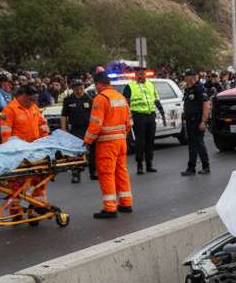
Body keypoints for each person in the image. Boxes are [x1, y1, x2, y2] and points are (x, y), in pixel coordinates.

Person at [84, 72, 133, 219]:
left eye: (95, 85)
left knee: (107, 174)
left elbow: (95, 124)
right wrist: (121, 135)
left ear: (98, 84)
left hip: (107, 143)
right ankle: (126, 203)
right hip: (121, 141)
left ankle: (110, 208)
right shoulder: (121, 97)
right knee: (121, 172)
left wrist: (87, 141)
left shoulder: (101, 99)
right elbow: (129, 122)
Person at [123, 67, 165, 174]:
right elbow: (125, 103)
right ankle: (140, 165)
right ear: (136, 75)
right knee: (140, 141)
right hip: (139, 116)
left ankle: (149, 164)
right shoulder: (130, 87)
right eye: (139, 73)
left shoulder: (150, 85)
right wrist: (127, 117)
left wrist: (162, 113)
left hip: (150, 116)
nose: (141, 75)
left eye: (143, 73)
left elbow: (156, 99)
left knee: (150, 141)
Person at [61, 78, 97, 180]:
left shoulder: (89, 99)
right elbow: (64, 116)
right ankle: (76, 174)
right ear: (73, 89)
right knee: (75, 152)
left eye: (81, 88)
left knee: (92, 151)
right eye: (77, 88)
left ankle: (93, 172)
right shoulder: (68, 100)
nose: (79, 90)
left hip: (88, 128)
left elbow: (95, 114)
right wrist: (64, 130)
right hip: (75, 129)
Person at [179, 69, 211, 176]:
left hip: (197, 120)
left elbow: (206, 105)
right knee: (191, 144)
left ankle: (206, 166)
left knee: (199, 143)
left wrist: (204, 121)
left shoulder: (199, 88)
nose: (185, 78)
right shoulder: (188, 89)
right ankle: (191, 168)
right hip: (190, 120)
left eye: (187, 76)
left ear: (192, 77)